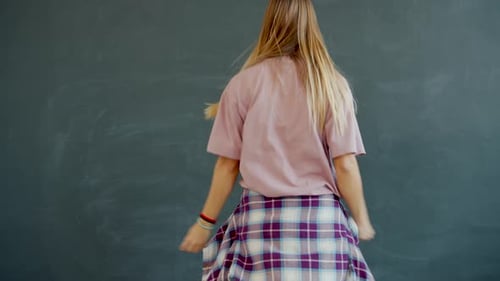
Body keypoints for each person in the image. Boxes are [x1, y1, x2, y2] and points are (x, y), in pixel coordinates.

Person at [179, 0, 376, 280]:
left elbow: (226, 166)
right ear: (312, 27)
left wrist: (204, 223)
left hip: (262, 225)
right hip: (321, 225)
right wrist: (362, 220)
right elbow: (345, 166)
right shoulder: (332, 86)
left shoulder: (242, 84)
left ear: (269, 26)